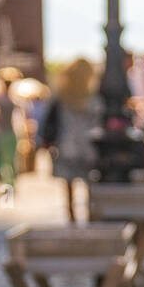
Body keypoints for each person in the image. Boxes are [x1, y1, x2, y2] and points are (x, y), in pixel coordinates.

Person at [39, 58, 100, 220]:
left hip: (67, 144)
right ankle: (89, 213)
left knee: (69, 184)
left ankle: (73, 214)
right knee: (89, 181)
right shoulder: (91, 96)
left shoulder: (62, 96)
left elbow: (49, 120)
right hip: (87, 145)